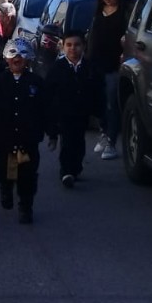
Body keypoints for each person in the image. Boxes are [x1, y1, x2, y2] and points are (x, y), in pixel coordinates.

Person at [0, 38, 52, 225]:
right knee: (6, 171)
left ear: (28, 59)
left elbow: (46, 109)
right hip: (5, 140)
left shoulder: (35, 83)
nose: (17, 58)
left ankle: (25, 206)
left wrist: (52, 132)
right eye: (13, 54)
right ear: (6, 58)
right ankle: (6, 189)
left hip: (27, 140)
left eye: (21, 55)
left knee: (27, 175)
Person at [46, 30, 104, 188]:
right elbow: (49, 93)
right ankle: (66, 171)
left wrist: (98, 112)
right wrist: (50, 122)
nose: (73, 48)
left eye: (77, 45)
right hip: (64, 112)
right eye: (69, 45)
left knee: (78, 140)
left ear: (84, 46)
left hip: (82, 112)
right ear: (63, 47)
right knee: (67, 140)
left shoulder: (89, 68)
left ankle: (76, 167)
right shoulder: (58, 68)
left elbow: (97, 90)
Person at [87, 0, 132, 161]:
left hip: (115, 65)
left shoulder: (126, 11)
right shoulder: (99, 12)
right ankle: (104, 133)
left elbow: (130, 35)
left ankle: (112, 143)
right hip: (96, 64)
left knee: (112, 104)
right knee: (98, 102)